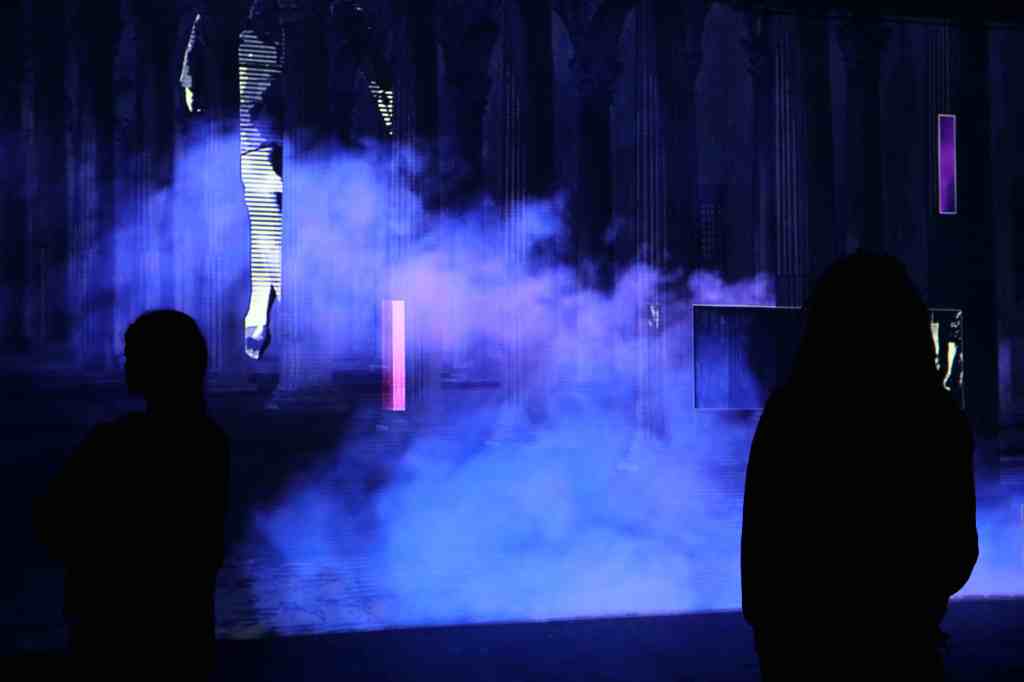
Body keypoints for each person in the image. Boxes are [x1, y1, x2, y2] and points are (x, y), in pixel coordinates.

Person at [741, 252, 978, 679]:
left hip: (801, 653)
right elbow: (956, 553)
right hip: (901, 650)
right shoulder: (935, 419)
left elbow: (762, 551)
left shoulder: (790, 415)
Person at [180, 0, 394, 360]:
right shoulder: (222, 18)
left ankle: (267, 307)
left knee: (285, 220)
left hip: (307, 126)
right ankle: (271, 306)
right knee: (267, 220)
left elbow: (377, 74)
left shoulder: (340, 15)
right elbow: (194, 90)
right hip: (268, 128)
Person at [34, 310, 230, 679]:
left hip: (115, 631)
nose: (125, 364)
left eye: (133, 355)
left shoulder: (117, 442)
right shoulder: (209, 440)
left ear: (157, 365)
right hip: (183, 634)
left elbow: (53, 521)